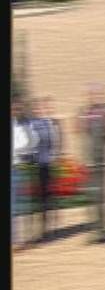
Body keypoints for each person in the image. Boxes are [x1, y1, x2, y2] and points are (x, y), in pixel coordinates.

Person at [78, 83, 105, 241]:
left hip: (104, 160)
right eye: (93, 94)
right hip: (90, 161)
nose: (95, 97)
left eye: (98, 94)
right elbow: (80, 133)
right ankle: (95, 229)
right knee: (92, 194)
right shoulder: (84, 112)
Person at [28, 97, 59, 241]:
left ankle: (47, 230)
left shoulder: (51, 123)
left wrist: (56, 158)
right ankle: (35, 231)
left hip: (49, 165)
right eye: (37, 108)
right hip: (35, 166)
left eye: (41, 108)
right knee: (36, 199)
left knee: (49, 197)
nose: (40, 110)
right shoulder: (31, 124)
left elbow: (56, 144)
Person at [12, 99, 35, 249]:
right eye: (14, 109)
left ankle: (21, 239)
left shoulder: (25, 125)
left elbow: (31, 144)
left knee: (22, 205)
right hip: (14, 166)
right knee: (14, 205)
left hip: (21, 167)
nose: (17, 112)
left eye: (19, 109)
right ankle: (16, 241)